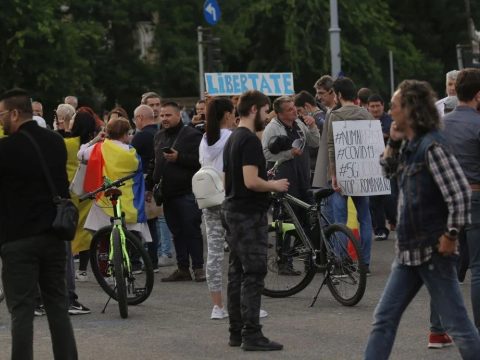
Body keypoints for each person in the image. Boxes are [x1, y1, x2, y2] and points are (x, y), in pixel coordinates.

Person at [364, 80, 480, 360]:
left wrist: (451, 235)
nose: (390, 112)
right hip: (408, 252)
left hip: (432, 253)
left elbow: (460, 193)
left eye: (394, 107)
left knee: (460, 328)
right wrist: (392, 141)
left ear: (410, 110)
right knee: (383, 319)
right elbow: (388, 170)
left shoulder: (432, 147)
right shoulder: (410, 144)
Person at [0, 88, 78, 359]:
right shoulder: (55, 141)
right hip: (55, 235)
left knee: (21, 310)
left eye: (1, 115)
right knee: (57, 305)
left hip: (18, 238)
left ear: (13, 113)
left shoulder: (6, 149)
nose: (0, 121)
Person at [221, 90, 289, 351]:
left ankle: (236, 332)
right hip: (248, 214)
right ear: (253, 110)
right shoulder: (248, 140)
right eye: (266, 110)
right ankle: (252, 334)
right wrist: (274, 184)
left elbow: (228, 180)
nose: (267, 115)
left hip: (233, 209)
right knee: (254, 273)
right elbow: (251, 181)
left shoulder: (232, 138)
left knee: (237, 272)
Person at [427, 68, 480, 346]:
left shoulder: (441, 124)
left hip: (444, 200)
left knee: (443, 266)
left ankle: (437, 330)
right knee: (478, 268)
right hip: (474, 197)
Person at [79, 117, 152, 274]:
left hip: (104, 198)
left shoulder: (98, 148)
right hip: (128, 200)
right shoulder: (131, 152)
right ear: (126, 134)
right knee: (129, 235)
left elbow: (81, 154)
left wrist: (95, 140)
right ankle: (131, 264)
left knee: (103, 237)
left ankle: (105, 269)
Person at [151, 102, 205, 282]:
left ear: (178, 115)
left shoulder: (192, 134)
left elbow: (201, 161)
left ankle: (198, 268)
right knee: (177, 232)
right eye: (162, 115)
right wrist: (151, 185)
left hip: (187, 192)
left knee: (192, 230)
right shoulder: (158, 136)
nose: (165, 119)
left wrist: (179, 158)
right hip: (168, 193)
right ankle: (183, 268)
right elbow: (156, 162)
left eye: (168, 115)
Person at [327, 77, 374, 273]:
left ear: (337, 95)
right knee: (365, 217)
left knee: (340, 219)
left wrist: (333, 175)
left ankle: (341, 261)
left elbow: (331, 147)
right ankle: (365, 263)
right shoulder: (365, 114)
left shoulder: (335, 115)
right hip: (362, 173)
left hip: (344, 173)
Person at [199, 97, 235, 319]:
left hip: (209, 198)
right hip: (231, 198)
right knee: (239, 252)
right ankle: (241, 303)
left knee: (213, 252)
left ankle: (217, 306)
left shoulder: (205, 138)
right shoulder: (232, 137)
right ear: (227, 115)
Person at [262, 95, 320, 224]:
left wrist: (313, 126)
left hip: (303, 178)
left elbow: (315, 142)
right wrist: (289, 153)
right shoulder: (272, 128)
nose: (294, 111)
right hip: (284, 181)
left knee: (308, 217)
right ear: (279, 114)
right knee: (287, 221)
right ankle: (285, 244)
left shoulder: (299, 123)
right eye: (289, 109)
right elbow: (265, 154)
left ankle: (304, 244)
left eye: (294, 107)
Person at [131, 104, 161, 272]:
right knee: (152, 224)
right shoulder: (159, 133)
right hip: (155, 183)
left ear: (140, 118)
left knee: (138, 225)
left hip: (141, 184)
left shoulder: (140, 137)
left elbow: (132, 160)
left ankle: (137, 262)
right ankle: (153, 261)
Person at [367, 94, 396, 240]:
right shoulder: (364, 121)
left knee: (390, 197)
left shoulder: (390, 120)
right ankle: (380, 229)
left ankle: (393, 219)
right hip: (371, 166)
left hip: (388, 166)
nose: (375, 108)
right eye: (372, 106)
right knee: (374, 199)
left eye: (378, 105)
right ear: (368, 107)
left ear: (383, 106)